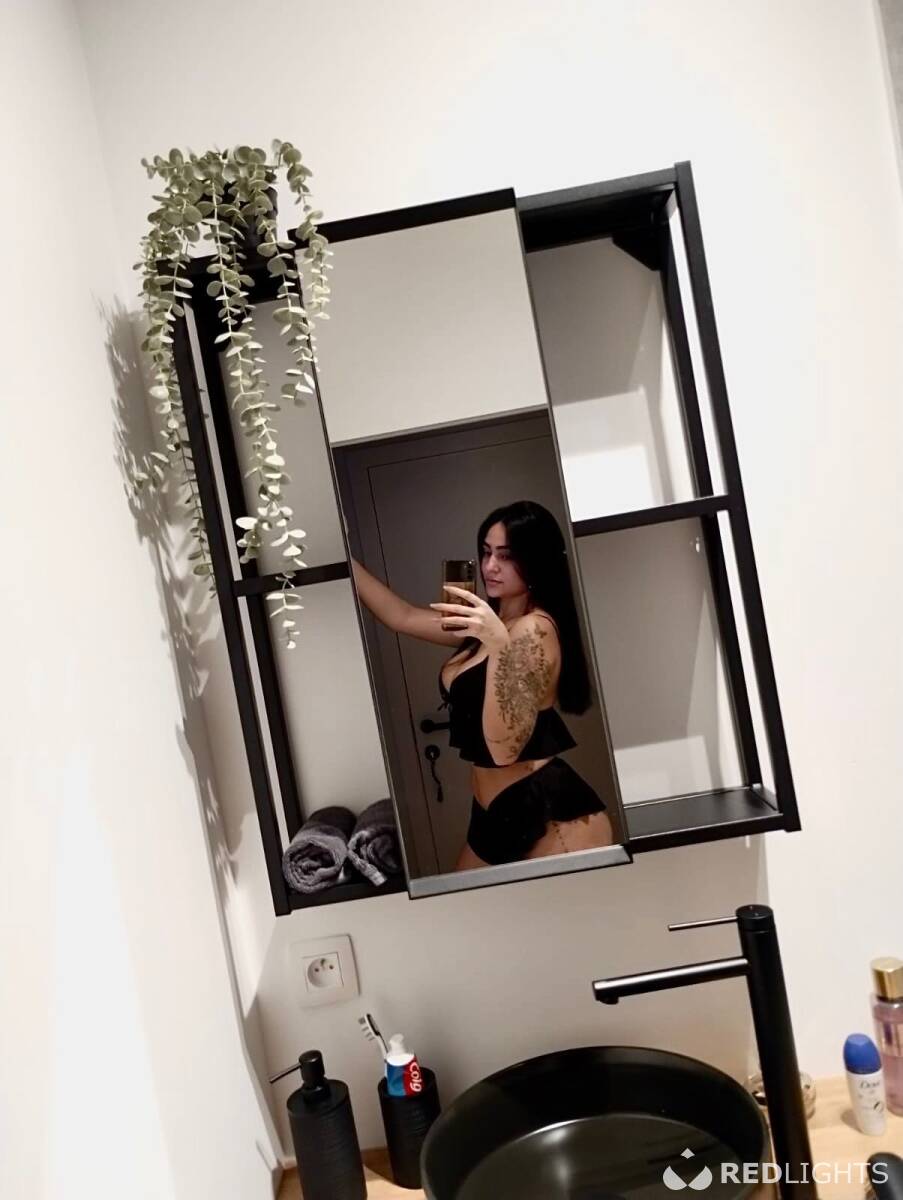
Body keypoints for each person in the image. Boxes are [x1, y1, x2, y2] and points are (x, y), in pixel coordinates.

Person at [350, 500, 614, 871]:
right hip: (493, 811)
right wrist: (344, 556)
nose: (490, 566)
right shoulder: (489, 623)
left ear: (535, 561)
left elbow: (504, 749)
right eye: (487, 552)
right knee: (464, 902)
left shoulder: (532, 629)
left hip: (548, 812)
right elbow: (401, 616)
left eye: (506, 556)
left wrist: (498, 643)